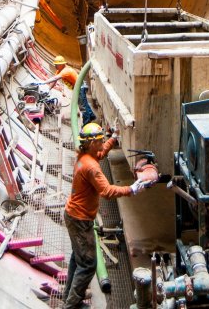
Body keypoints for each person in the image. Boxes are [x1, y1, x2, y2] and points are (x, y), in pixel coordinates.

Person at [63, 123, 153, 308]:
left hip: (74, 215)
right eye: (100, 140)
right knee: (88, 264)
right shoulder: (91, 167)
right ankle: (71, 304)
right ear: (92, 143)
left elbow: (101, 153)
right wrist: (131, 189)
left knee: (77, 258)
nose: (102, 142)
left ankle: (70, 296)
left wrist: (114, 138)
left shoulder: (86, 155)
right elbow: (106, 191)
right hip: (80, 220)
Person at [35, 55, 96, 125]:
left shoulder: (66, 71)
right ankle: (91, 116)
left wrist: (43, 82)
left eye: (56, 65)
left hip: (80, 87)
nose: (55, 66)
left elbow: (54, 79)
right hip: (79, 86)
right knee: (84, 103)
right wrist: (48, 89)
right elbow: (55, 81)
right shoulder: (60, 70)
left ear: (61, 64)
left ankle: (86, 123)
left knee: (82, 106)